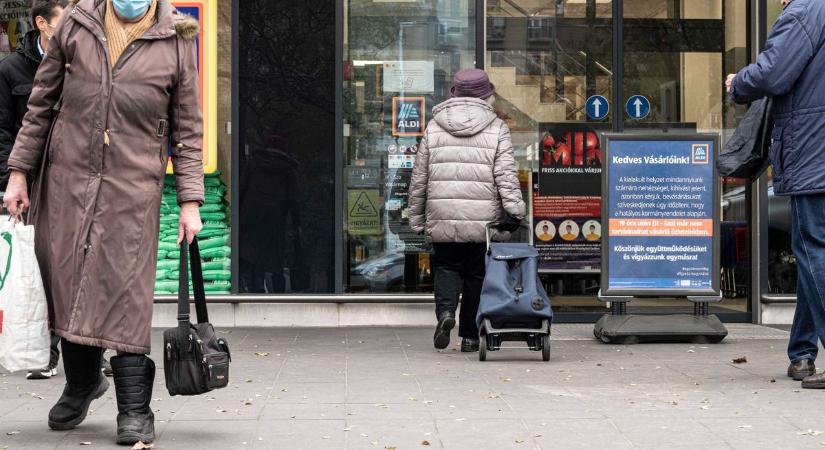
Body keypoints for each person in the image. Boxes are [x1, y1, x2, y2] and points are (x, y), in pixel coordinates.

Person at [4, 0, 204, 445]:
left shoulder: (176, 39)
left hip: (133, 186)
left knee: (125, 288)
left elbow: (188, 129)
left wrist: (190, 199)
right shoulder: (77, 23)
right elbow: (40, 105)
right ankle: (82, 384)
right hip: (67, 179)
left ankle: (135, 407)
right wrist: (19, 172)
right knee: (70, 281)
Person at [727, 0, 825, 389]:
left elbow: (773, 73)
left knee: (813, 249)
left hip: (815, 153)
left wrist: (738, 83)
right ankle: (802, 352)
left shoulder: (806, 10)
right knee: (813, 254)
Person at [410, 68, 526, 353]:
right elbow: (506, 175)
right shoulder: (497, 127)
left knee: (447, 268)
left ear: (454, 93)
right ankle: (470, 337)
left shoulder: (435, 127)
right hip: (482, 219)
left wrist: (416, 218)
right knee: (476, 275)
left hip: (442, 215)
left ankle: (446, 313)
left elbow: (419, 177)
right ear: (487, 95)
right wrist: (515, 212)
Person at [0, 0, 67, 380]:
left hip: (73, 181)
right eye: (62, 23)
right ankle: (45, 350)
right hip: (32, 183)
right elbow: (3, 130)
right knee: (38, 267)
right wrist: (11, 179)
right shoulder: (11, 70)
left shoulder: (80, 64)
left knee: (75, 267)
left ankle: (86, 354)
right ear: (41, 23)